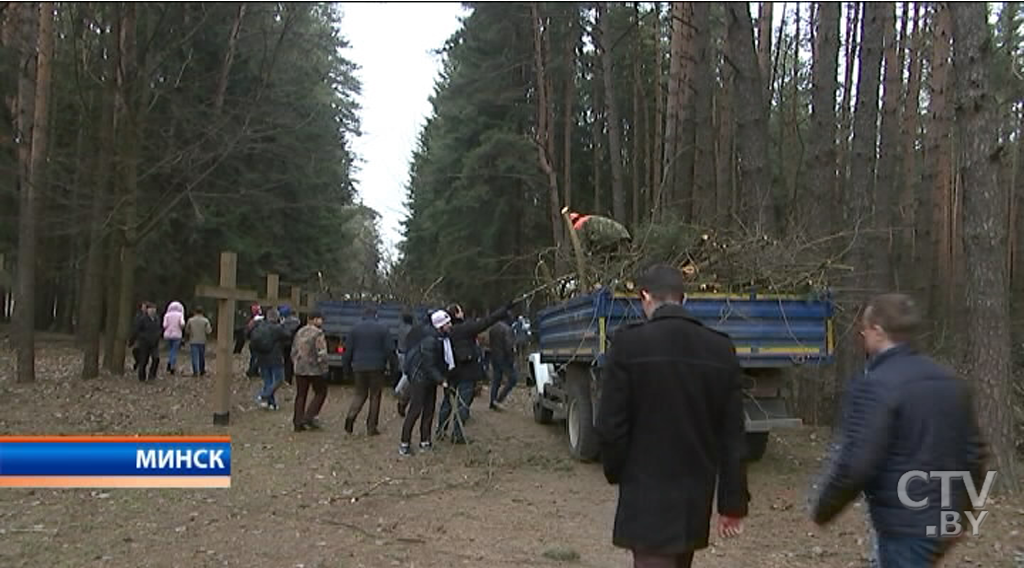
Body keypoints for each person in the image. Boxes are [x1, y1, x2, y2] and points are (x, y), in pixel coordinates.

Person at [810, 293, 988, 568]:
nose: (863, 336)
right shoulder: (952, 382)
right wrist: (963, 514)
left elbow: (858, 461)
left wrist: (825, 508)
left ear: (878, 332)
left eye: (865, 329)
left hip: (904, 523)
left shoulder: (877, 385)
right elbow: (974, 455)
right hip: (943, 519)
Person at [595, 264, 748, 568]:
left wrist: (616, 471)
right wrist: (732, 503)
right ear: (684, 299)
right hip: (693, 498)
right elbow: (733, 436)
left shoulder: (628, 345)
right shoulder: (720, 349)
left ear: (645, 297)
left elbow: (610, 426)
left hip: (645, 494)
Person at [436, 301, 514, 444]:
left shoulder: (446, 332)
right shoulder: (465, 329)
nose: (462, 312)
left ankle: (440, 431)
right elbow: (486, 322)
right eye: (460, 310)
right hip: (466, 374)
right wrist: (504, 309)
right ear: (457, 314)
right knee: (463, 404)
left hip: (450, 373)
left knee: (447, 403)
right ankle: (457, 435)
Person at [399, 310, 454, 456]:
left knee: (429, 411)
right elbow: (429, 365)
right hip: (420, 379)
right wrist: (441, 380)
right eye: (447, 323)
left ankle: (425, 441)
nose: (450, 325)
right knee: (415, 411)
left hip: (430, 380)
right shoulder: (430, 340)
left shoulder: (440, 338)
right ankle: (404, 444)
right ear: (440, 325)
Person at [341, 306, 395, 435]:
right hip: (377, 366)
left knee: (360, 394)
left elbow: (347, 351)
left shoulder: (354, 329)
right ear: (376, 315)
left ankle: (350, 417)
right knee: (375, 396)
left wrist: (346, 368)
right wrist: (394, 368)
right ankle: (371, 427)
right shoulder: (383, 328)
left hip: (359, 366)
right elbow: (389, 350)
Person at [291, 310, 330, 432]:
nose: (321, 321)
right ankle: (309, 416)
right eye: (319, 318)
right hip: (314, 368)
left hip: (299, 367)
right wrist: (324, 368)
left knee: (301, 395)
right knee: (321, 392)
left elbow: (294, 350)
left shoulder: (300, 331)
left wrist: (295, 363)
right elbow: (321, 353)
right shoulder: (318, 333)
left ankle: (297, 422)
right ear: (314, 319)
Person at [250, 307, 290, 410]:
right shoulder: (277, 328)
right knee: (278, 380)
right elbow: (288, 335)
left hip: (261, 357)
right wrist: (283, 324)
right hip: (275, 357)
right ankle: (263, 395)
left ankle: (271, 403)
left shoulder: (260, 325)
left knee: (268, 381)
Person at [488, 313, 518, 410]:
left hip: (494, 357)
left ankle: (493, 401)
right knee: (513, 379)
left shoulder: (493, 328)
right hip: (505, 358)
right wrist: (512, 359)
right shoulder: (507, 330)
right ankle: (499, 399)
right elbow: (509, 346)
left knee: (496, 380)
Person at [567, 211, 632, 254]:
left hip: (615, 239)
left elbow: (583, 248)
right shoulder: (588, 218)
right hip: (621, 232)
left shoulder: (579, 225)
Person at [129, 302, 162, 382]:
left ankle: (152, 375)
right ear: (147, 310)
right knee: (143, 361)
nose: (153, 311)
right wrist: (133, 340)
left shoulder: (157, 319)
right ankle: (142, 377)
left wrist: (158, 335)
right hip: (144, 343)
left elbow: (159, 328)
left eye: (154, 310)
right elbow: (136, 330)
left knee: (156, 358)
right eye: (151, 310)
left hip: (154, 343)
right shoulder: (142, 319)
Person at [185, 306, 213, 377]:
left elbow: (187, 330)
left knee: (194, 357)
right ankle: (202, 370)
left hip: (193, 340)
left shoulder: (190, 320)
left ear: (195, 312)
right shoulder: (205, 321)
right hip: (202, 340)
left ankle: (195, 371)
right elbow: (208, 331)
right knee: (201, 356)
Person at [278, 305, 302, 385]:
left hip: (285, 344)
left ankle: (284, 378)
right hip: (294, 343)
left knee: (285, 361)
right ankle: (289, 379)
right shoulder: (297, 322)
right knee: (290, 361)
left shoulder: (283, 323)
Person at [162, 301, 186, 375]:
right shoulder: (180, 315)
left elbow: (164, 325)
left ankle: (170, 363)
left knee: (170, 350)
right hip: (177, 335)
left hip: (168, 335)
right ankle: (172, 365)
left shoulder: (167, 315)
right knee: (174, 351)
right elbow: (182, 324)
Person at [245, 303, 264, 377]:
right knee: (256, 357)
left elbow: (247, 331)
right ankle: (251, 371)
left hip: (253, 341)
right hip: (257, 341)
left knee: (254, 357)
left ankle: (253, 371)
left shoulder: (251, 321)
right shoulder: (257, 321)